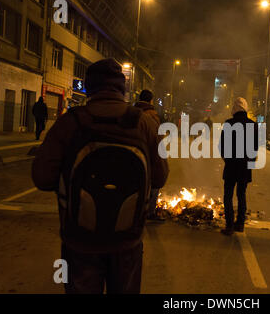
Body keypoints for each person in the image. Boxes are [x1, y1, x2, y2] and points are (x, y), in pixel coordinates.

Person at [32, 59, 169, 294]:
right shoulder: (144, 123)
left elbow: (42, 177)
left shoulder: (71, 122)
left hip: (79, 239)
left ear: (89, 87)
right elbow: (160, 177)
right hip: (127, 239)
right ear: (122, 88)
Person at [219, 97, 258, 235]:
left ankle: (229, 225)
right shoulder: (253, 125)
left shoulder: (229, 123)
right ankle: (240, 224)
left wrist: (227, 160)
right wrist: (250, 165)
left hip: (231, 166)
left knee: (228, 195)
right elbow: (254, 149)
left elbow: (222, 147)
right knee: (241, 195)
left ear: (234, 108)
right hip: (245, 166)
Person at [134, 90, 165, 222]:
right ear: (151, 100)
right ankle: (150, 212)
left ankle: (133, 210)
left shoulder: (132, 112)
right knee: (155, 181)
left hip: (133, 152)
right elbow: (156, 136)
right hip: (148, 153)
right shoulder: (152, 115)